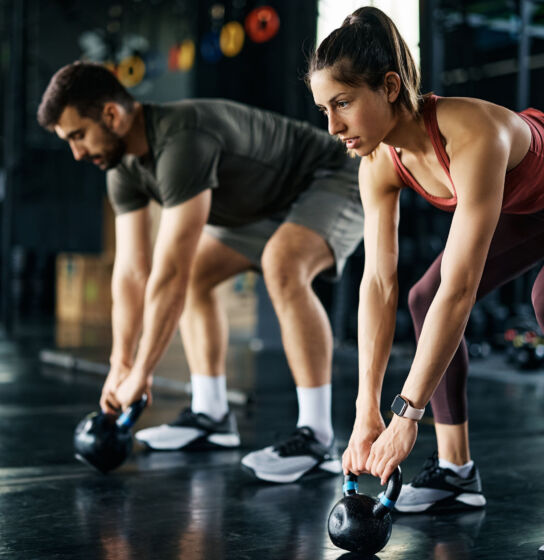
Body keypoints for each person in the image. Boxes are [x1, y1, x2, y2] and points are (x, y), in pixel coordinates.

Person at [37, 61, 364, 483]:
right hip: (263, 207)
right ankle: (210, 416)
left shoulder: (181, 140)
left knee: (282, 264)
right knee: (196, 276)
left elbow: (166, 272)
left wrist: (142, 372)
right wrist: (120, 363)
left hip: (333, 178)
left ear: (111, 115)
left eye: (78, 136)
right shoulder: (120, 167)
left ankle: (318, 439)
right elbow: (132, 270)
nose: (77, 153)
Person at [308, 6, 544, 513]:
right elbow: (379, 283)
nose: (333, 125)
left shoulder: (471, 133)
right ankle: (456, 472)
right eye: (324, 110)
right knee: (422, 298)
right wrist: (365, 413)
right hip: (535, 204)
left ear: (390, 86)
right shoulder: (378, 161)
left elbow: (462, 286)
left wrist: (406, 413)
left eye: (343, 103)